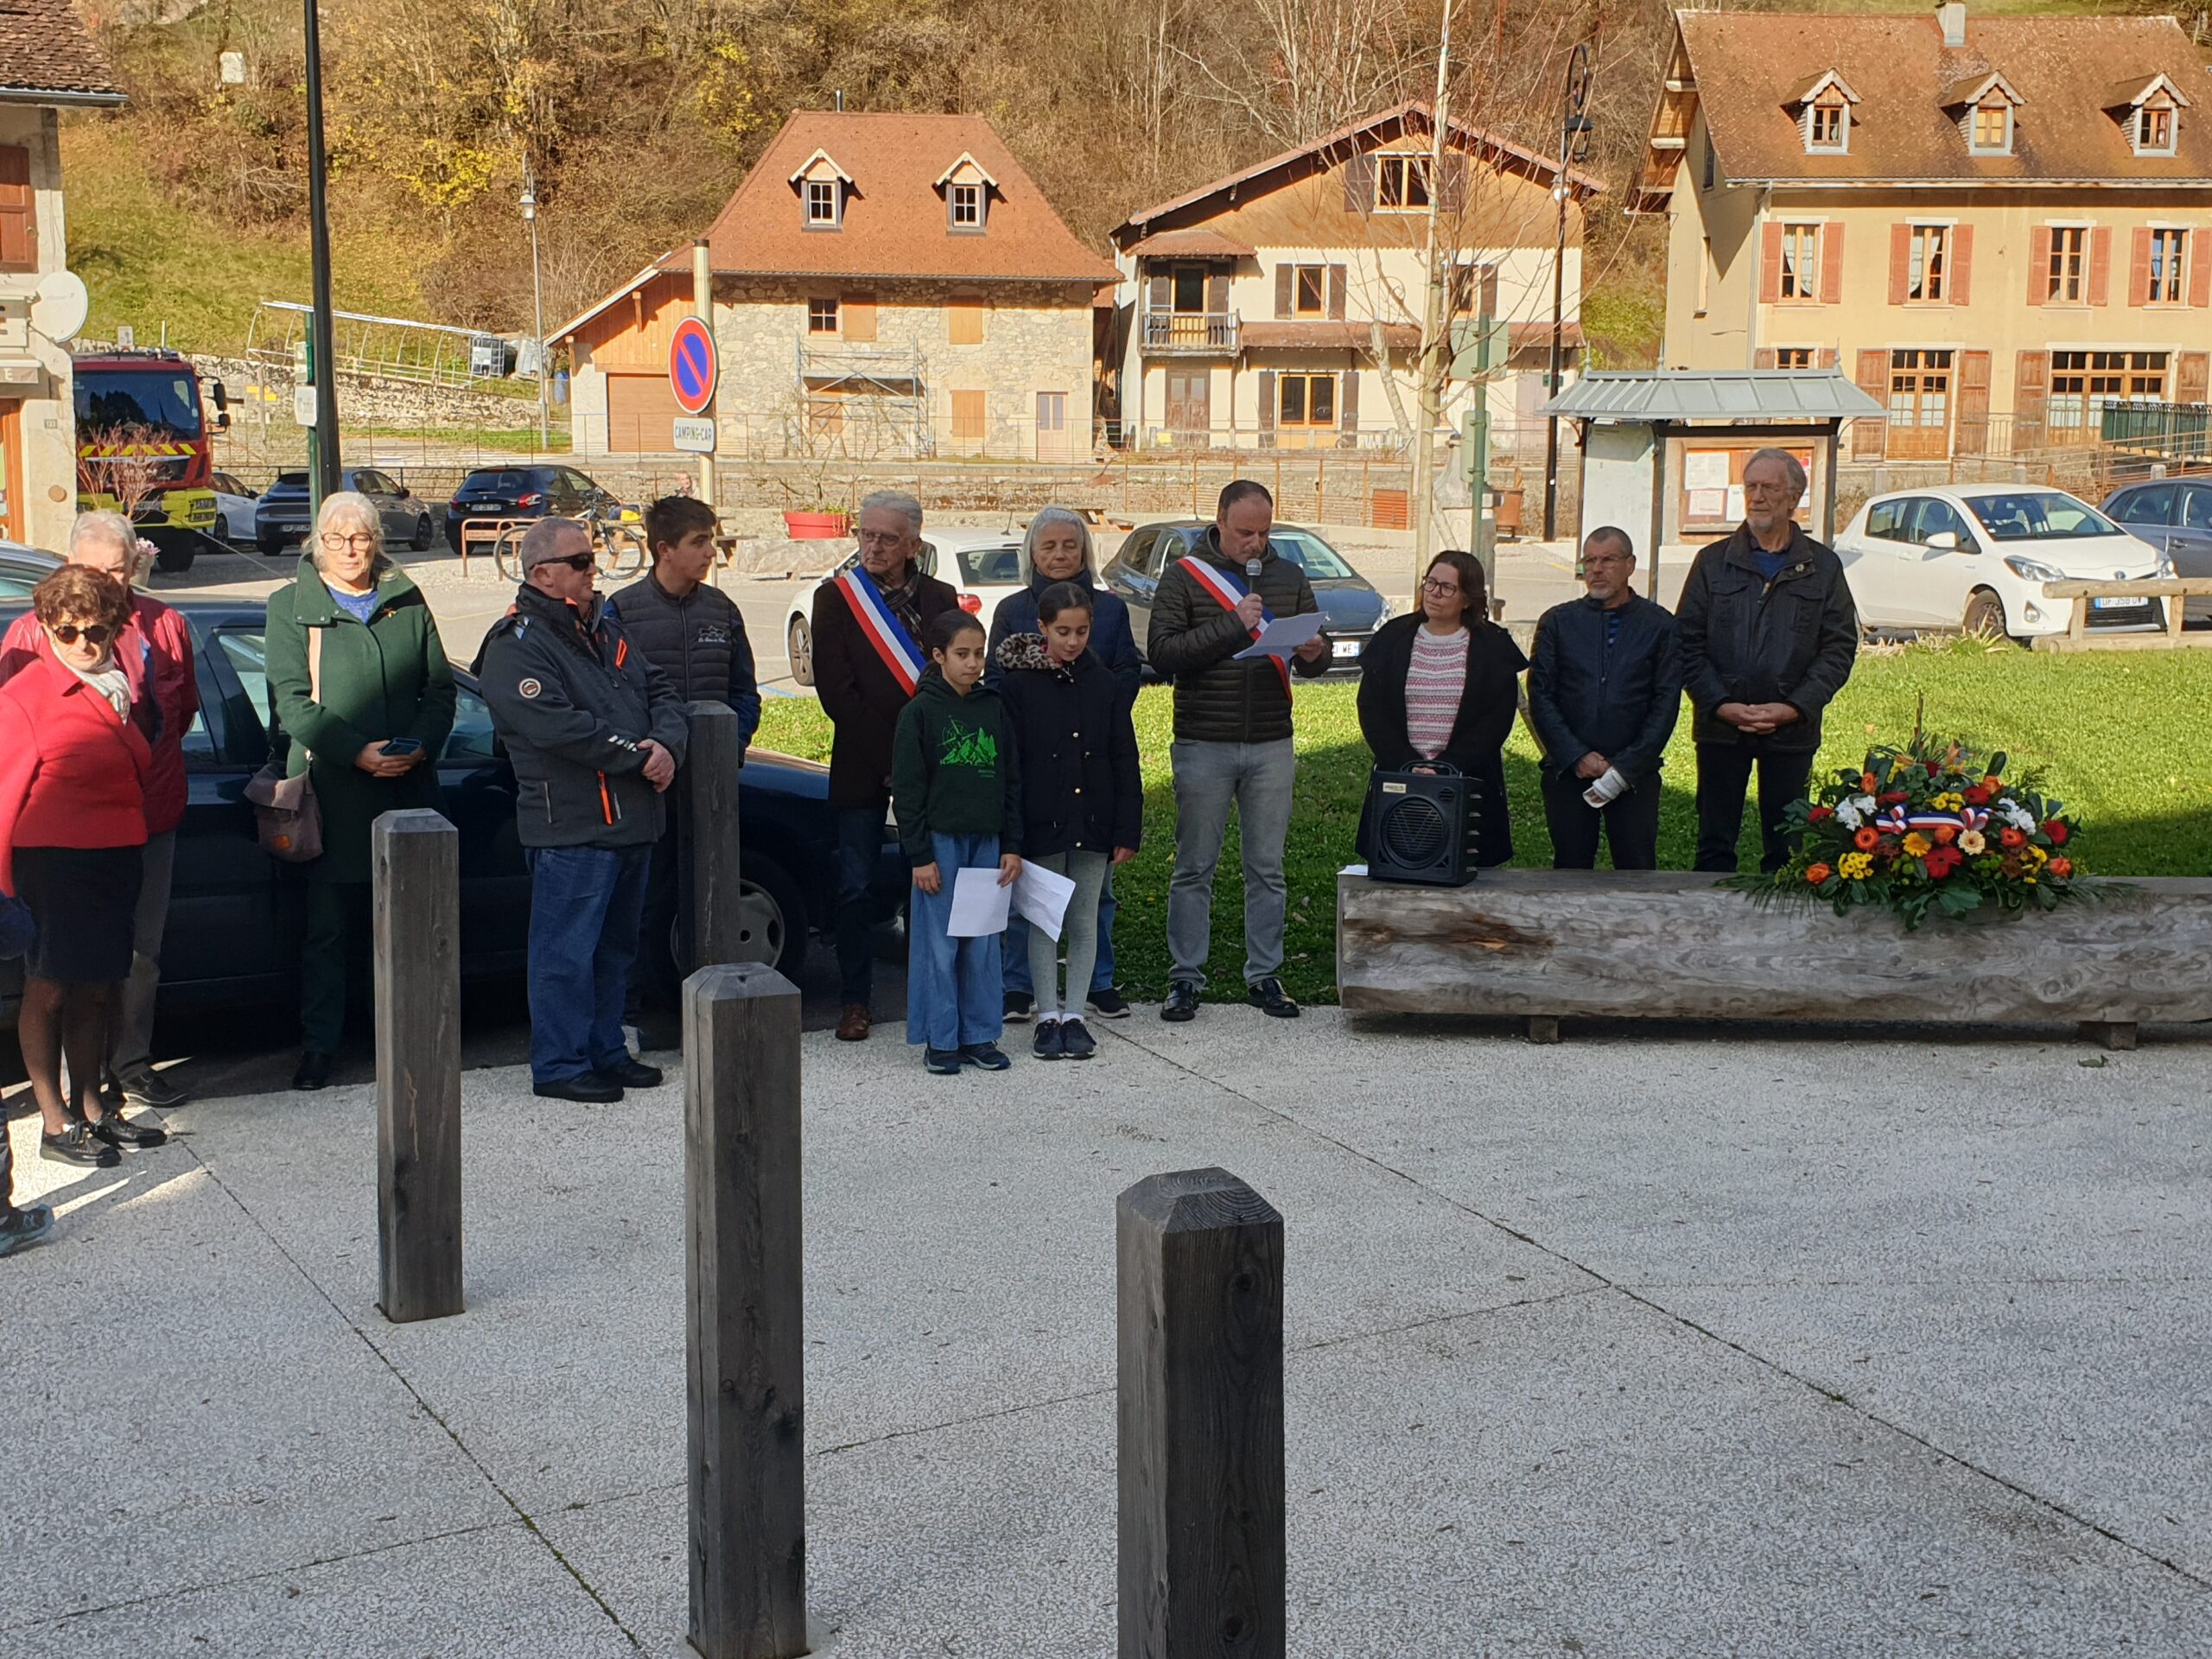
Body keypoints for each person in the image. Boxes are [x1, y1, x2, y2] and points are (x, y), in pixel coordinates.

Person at [478, 517, 690, 1103]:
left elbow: (662, 691)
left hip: (631, 820)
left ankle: (605, 1050)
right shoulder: (515, 645)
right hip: (572, 826)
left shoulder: (604, 630)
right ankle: (560, 1063)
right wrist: (638, 757)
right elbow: (556, 726)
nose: (593, 569)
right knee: (565, 954)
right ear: (542, 573)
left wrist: (667, 745)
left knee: (616, 950)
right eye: (579, 562)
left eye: (591, 558)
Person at [0, 511, 198, 1110]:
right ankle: (63, 1108)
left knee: (134, 957)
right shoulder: (32, 637)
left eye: (118, 570)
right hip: (57, 840)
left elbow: (180, 714)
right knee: (56, 975)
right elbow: (13, 750)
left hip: (144, 817)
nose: (107, 582)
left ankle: (124, 1072)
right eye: (94, 569)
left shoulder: (164, 625)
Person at [266, 491, 456, 1090]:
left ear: (377, 540)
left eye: (362, 537)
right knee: (329, 929)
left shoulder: (407, 598)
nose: (350, 549)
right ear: (317, 542)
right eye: (337, 538)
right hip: (333, 791)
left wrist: (417, 746)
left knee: (409, 926)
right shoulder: (290, 607)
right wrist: (356, 752)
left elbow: (440, 689)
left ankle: (404, 1040)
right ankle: (320, 1046)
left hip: (408, 787)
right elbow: (291, 701)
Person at [1148, 479, 1329, 1022]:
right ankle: (1185, 977)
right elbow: (1163, 655)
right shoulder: (1184, 576)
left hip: (1271, 739)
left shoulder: (1289, 576)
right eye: (1245, 532)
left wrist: (1314, 652)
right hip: (1204, 739)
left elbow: (1315, 658)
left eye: (1264, 533)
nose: (1256, 543)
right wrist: (1234, 625)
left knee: (1267, 868)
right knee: (1194, 866)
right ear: (1220, 522)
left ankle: (1266, 974)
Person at [0, 566, 161, 1171]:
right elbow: (3, 795)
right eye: (67, 631)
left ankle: (93, 1107)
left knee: (98, 984)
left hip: (115, 855)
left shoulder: (118, 687)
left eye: (96, 630)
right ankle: (54, 1121)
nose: (83, 643)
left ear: (115, 628)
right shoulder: (25, 695)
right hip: (52, 862)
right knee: (50, 987)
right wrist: (2, 886)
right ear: (46, 628)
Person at [811, 490, 962, 1041]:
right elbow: (837, 693)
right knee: (855, 885)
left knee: (935, 877)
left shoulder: (942, 597)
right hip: (863, 763)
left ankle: (935, 989)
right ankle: (855, 1000)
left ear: (913, 546)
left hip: (932, 765)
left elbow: (951, 681)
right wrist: (894, 761)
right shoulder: (836, 598)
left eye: (887, 539)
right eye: (866, 535)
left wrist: (918, 764)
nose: (873, 547)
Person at [607, 494, 760, 1035]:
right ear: (664, 549)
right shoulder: (622, 611)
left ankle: (709, 1008)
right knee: (645, 899)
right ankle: (632, 1015)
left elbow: (744, 692)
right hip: (648, 782)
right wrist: (644, 753)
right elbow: (611, 696)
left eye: (711, 540)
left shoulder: (722, 610)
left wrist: (730, 746)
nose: (711, 552)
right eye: (699, 542)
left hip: (713, 782)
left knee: (710, 894)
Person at [984, 505, 1141, 1023]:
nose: (1059, 554)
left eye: (1069, 545)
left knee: (1095, 896)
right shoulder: (1012, 609)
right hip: (1040, 767)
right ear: (1032, 552)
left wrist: (1096, 703)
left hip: (1093, 759)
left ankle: (1096, 983)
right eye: (1048, 545)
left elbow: (1127, 671)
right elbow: (997, 680)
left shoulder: (1110, 610)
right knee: (1031, 896)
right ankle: (1019, 985)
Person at [1675, 448, 1859, 874]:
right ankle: (1710, 913)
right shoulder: (1712, 562)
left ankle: (1780, 915)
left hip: (1791, 731)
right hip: (1722, 729)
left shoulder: (1822, 567)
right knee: (1714, 847)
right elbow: (1685, 643)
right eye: (1751, 487)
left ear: (1794, 497)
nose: (1756, 497)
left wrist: (1794, 707)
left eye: (1769, 488)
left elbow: (1838, 648)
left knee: (1786, 850)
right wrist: (1719, 703)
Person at [891, 611, 1021, 1075]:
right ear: (939, 656)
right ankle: (941, 1038)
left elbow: (1011, 780)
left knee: (981, 941)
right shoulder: (919, 713)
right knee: (940, 945)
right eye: (962, 654)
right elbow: (908, 791)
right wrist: (920, 855)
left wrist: (1011, 843)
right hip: (941, 845)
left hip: (986, 842)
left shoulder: (992, 708)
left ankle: (979, 1035)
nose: (972, 664)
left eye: (979, 654)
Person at [1356, 550, 1527, 868]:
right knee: (1400, 865)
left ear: (1468, 598)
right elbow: (1371, 708)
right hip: (1400, 777)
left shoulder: (1492, 646)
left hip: (1468, 779)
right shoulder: (1393, 637)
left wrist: (1447, 766)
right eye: (1430, 583)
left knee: (1466, 876)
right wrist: (1407, 762)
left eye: (1447, 587)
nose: (1434, 593)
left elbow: (1496, 720)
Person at [1526, 527, 1682, 870]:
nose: (1597, 569)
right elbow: (1540, 693)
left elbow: (1666, 700)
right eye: (1590, 560)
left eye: (1608, 560)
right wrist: (1575, 755)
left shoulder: (1659, 625)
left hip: (1634, 776)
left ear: (1630, 565)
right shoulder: (1558, 622)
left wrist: (1626, 767)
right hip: (1569, 772)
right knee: (1570, 870)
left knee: (1636, 870)